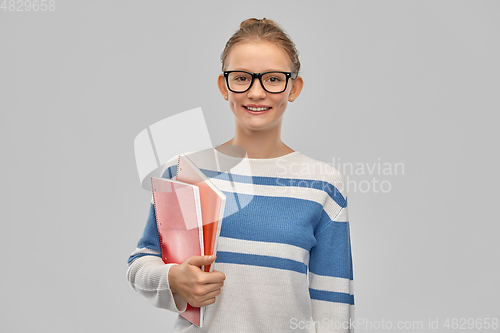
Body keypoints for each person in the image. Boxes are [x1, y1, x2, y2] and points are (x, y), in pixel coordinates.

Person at [127, 18, 354, 332]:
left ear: (294, 87)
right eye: (242, 78)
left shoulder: (322, 184)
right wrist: (173, 279)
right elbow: (142, 261)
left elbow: (333, 304)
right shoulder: (185, 172)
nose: (257, 92)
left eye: (273, 79)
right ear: (223, 86)